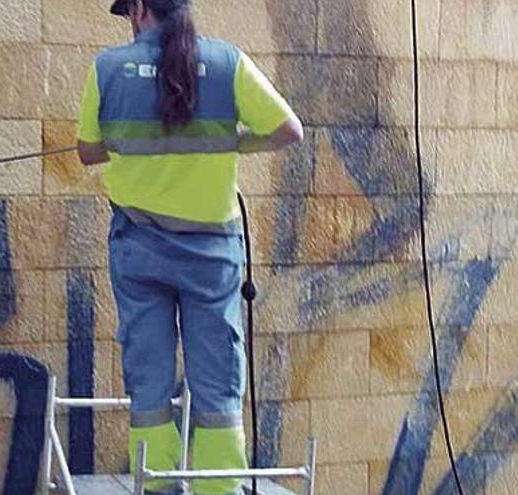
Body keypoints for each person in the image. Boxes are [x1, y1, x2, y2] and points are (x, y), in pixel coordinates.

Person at [76, 0, 302, 493]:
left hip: (139, 250)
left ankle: (156, 486)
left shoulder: (107, 69)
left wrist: (126, 138)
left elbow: (88, 152)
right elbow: (289, 130)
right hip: (211, 256)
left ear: (139, 9)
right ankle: (219, 488)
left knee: (149, 377)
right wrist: (233, 143)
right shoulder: (228, 64)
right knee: (217, 377)